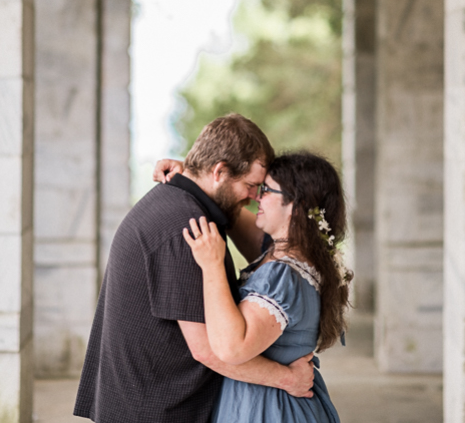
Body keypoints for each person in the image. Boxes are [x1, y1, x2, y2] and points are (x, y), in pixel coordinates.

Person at [74, 114, 315, 423]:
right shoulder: (188, 228)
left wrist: (188, 176)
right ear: (219, 171)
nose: (255, 197)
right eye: (251, 186)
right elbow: (207, 349)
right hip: (155, 412)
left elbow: (270, 245)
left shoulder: (183, 204)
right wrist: (288, 379)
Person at [182, 151, 350, 423]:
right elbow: (233, 214)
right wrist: (192, 176)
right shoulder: (293, 256)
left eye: (267, 190)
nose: (257, 197)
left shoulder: (283, 274)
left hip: (269, 410)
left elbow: (231, 349)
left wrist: (212, 264)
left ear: (296, 205)